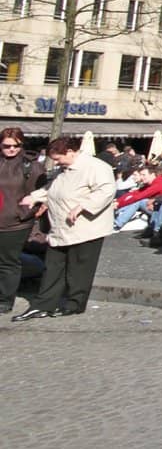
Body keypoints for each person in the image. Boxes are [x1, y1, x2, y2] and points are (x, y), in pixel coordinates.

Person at [13, 137, 115, 321]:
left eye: (58, 158)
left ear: (70, 152)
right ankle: (43, 304)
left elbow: (106, 191)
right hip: (61, 227)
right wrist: (34, 197)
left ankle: (75, 303)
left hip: (85, 228)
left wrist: (82, 206)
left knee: (80, 268)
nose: (57, 162)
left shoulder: (96, 167)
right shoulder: (65, 169)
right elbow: (53, 188)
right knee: (53, 266)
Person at [0, 129, 45, 315]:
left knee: (8, 262)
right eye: (6, 145)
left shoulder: (30, 166)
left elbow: (40, 193)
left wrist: (23, 213)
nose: (11, 149)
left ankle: (4, 300)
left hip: (15, 223)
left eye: (16, 146)